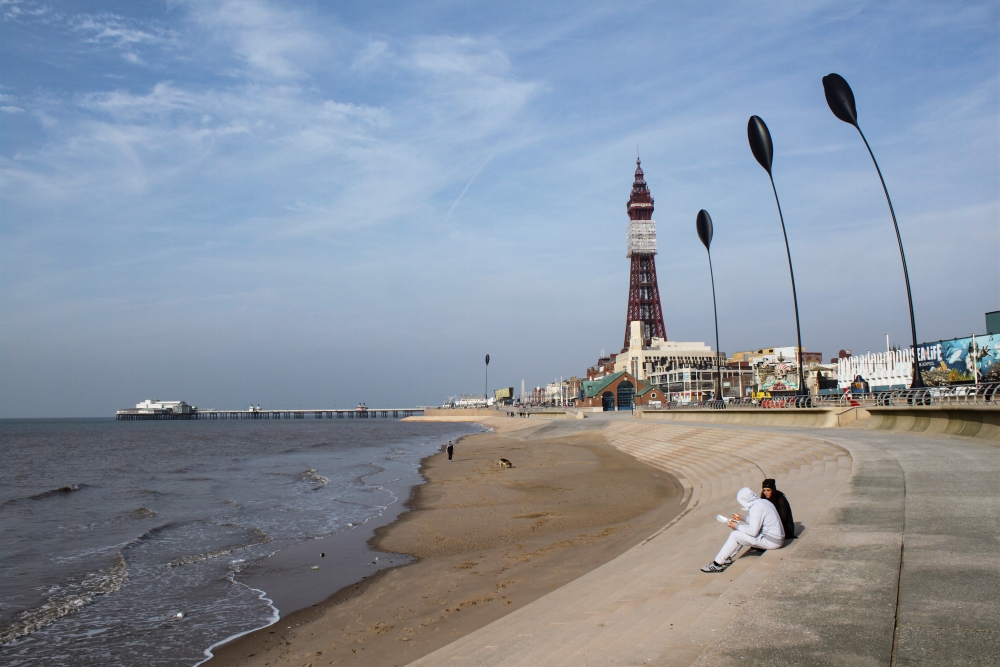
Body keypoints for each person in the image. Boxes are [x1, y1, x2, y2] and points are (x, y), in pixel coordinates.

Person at [701, 487, 784, 573]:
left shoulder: (755, 508)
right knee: (740, 533)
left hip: (771, 542)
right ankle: (727, 557)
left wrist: (736, 526)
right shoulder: (763, 502)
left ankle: (717, 564)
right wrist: (741, 518)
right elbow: (758, 521)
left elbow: (753, 531)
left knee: (735, 535)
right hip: (776, 538)